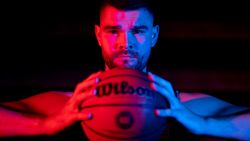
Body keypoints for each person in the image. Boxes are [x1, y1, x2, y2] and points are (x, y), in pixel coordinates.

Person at [1, 0, 250, 140]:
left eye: (138, 31)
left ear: (153, 35)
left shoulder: (178, 107)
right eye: (113, 31)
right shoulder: (72, 107)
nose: (125, 43)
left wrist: (206, 124)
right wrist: (43, 125)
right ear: (98, 35)